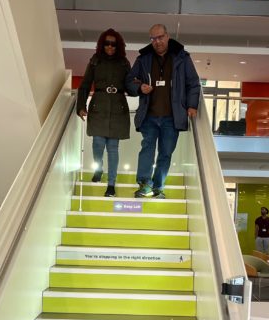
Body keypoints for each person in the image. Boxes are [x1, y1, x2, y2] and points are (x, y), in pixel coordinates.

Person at [126, 24, 200, 198]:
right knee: (147, 149)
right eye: (153, 38)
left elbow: (193, 83)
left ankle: (158, 187)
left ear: (167, 36)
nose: (157, 42)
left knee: (165, 153)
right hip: (149, 115)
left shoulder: (182, 57)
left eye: (160, 37)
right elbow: (129, 80)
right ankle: (145, 184)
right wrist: (139, 87)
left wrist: (192, 106)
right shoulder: (143, 59)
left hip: (172, 117)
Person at [77, 28, 133, 197]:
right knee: (98, 144)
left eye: (113, 44)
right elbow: (85, 84)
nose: (110, 47)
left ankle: (111, 184)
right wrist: (81, 105)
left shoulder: (124, 63)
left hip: (117, 107)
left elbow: (130, 85)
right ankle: (99, 168)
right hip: (99, 105)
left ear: (119, 46)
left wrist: (139, 88)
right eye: (107, 43)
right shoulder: (95, 61)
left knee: (113, 148)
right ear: (102, 45)